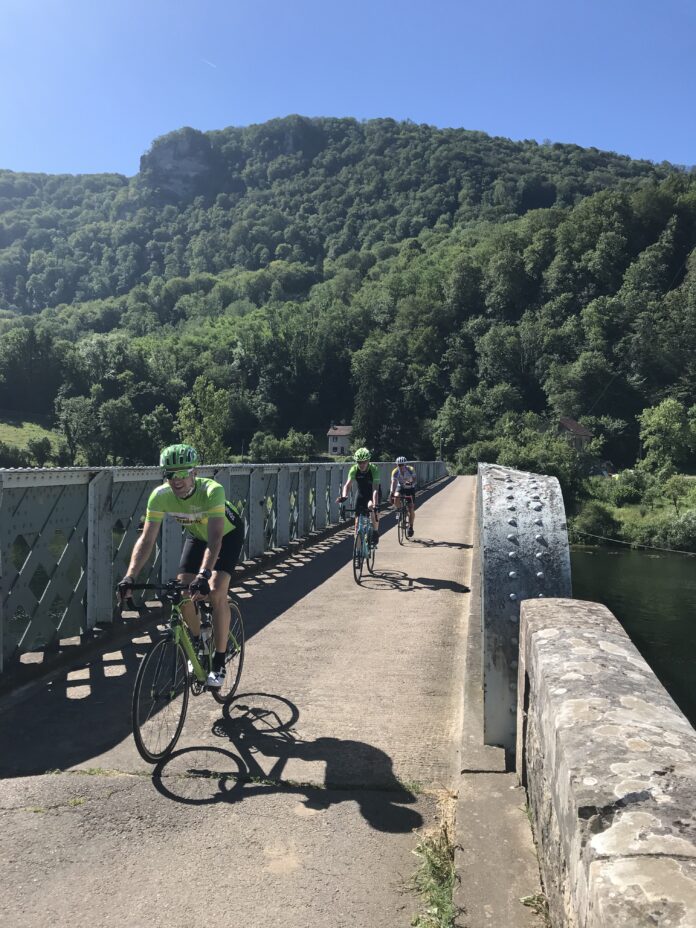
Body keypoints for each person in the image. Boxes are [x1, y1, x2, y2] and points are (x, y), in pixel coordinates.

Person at [117, 443, 245, 688]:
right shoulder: (160, 496)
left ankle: (219, 661)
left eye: (182, 473)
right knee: (182, 593)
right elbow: (147, 539)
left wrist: (204, 574)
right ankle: (198, 642)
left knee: (216, 591)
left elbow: (216, 537)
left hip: (226, 535)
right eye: (170, 474)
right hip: (197, 535)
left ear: (194, 473)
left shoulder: (212, 491)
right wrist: (130, 576)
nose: (176, 480)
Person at [337, 447, 381, 546]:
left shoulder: (374, 469)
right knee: (357, 523)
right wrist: (344, 496)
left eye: (364, 462)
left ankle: (375, 531)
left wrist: (375, 504)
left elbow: (375, 490)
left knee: (371, 507)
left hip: (373, 493)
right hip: (361, 493)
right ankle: (358, 551)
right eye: (359, 462)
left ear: (368, 461)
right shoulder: (354, 469)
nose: (361, 464)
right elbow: (347, 485)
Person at [389, 455, 417, 537]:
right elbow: (393, 483)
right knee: (396, 496)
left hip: (410, 488)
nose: (400, 467)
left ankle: (411, 526)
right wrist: (391, 493)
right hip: (400, 486)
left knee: (411, 508)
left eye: (402, 465)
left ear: (405, 465)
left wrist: (411, 482)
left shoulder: (410, 469)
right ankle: (399, 510)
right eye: (399, 465)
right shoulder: (395, 472)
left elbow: (415, 479)